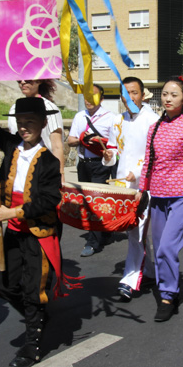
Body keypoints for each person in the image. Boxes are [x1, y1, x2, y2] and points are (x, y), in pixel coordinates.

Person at [0, 97, 66, 367]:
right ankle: (38, 314)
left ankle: (32, 347)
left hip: (38, 234)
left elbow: (48, 201)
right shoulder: (12, 146)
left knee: (32, 289)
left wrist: (13, 213)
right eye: (20, 123)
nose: (24, 128)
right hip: (14, 233)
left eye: (30, 122)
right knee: (4, 286)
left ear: (43, 124)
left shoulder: (49, 162)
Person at [136, 76, 183, 321]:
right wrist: (141, 190)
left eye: (174, 95)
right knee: (158, 249)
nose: (167, 98)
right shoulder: (154, 128)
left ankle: (167, 295)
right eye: (165, 94)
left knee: (168, 246)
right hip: (157, 196)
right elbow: (149, 161)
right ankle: (170, 286)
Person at [102, 77, 160, 302]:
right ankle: (151, 271)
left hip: (144, 185)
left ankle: (129, 279)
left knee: (137, 231)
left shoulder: (153, 120)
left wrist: (137, 174)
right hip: (122, 186)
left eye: (134, 92)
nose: (130, 98)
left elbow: (154, 157)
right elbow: (113, 150)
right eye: (125, 94)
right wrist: (108, 156)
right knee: (133, 232)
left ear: (142, 94)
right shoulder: (117, 120)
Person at [67, 85, 114, 257]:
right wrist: (81, 140)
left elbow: (114, 144)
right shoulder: (80, 116)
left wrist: (100, 142)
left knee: (94, 201)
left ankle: (93, 242)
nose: (88, 100)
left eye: (93, 96)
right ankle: (106, 232)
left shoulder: (110, 118)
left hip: (100, 165)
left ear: (101, 99)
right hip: (83, 164)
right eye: (86, 96)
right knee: (87, 201)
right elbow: (70, 139)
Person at [8, 79, 65, 181]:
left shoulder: (49, 108)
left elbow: (56, 146)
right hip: (19, 169)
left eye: (28, 80)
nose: (22, 82)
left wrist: (60, 176)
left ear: (39, 81)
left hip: (43, 168)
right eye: (19, 80)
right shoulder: (14, 109)